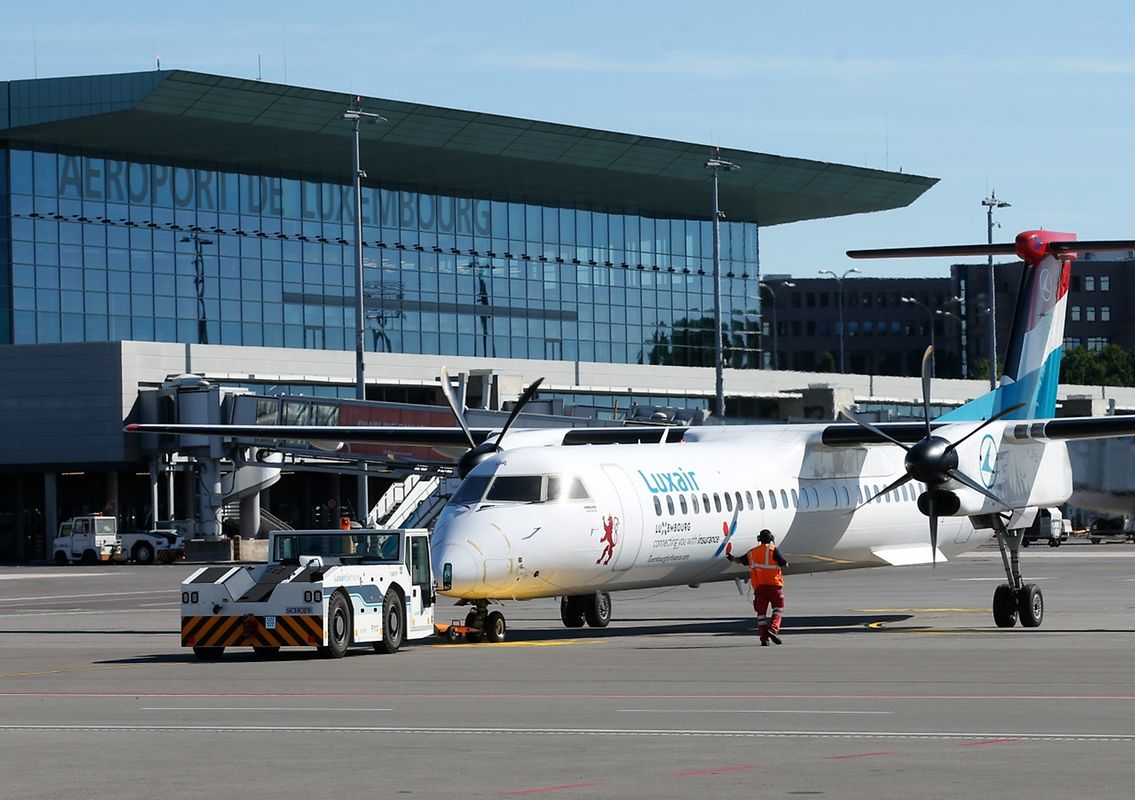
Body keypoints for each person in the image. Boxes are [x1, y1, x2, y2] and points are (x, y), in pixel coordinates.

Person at [726, 529, 788, 645]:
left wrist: (730, 557)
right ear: (771, 539)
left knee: (761, 616)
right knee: (778, 608)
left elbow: (739, 560)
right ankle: (773, 629)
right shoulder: (774, 550)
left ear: (759, 539)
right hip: (774, 586)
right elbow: (785, 564)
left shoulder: (752, 552)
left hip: (759, 588)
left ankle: (764, 640)